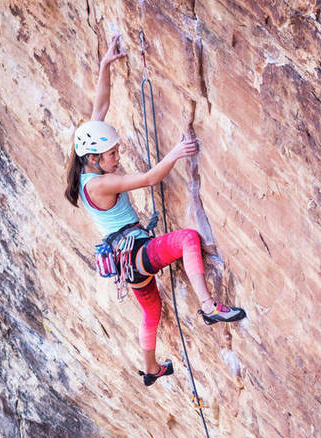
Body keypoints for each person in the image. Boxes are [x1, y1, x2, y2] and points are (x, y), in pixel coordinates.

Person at [64, 35, 245, 386]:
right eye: (112, 154)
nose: (118, 157)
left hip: (126, 262)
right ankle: (209, 307)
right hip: (138, 252)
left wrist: (105, 66)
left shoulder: (87, 164)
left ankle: (150, 369)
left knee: (151, 310)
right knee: (188, 239)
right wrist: (176, 153)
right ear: (94, 159)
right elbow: (148, 178)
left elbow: (98, 110)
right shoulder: (99, 184)